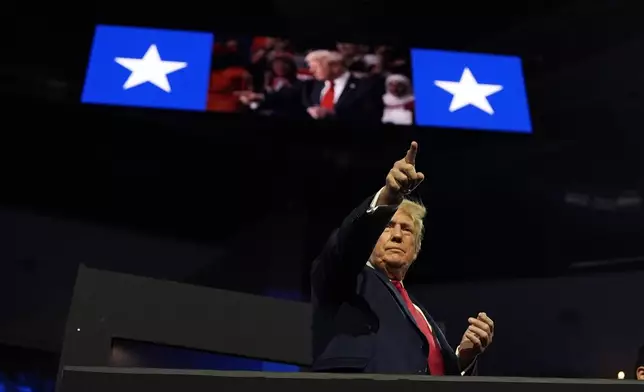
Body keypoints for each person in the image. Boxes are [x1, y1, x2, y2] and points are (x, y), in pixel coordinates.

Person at [310, 142, 495, 375]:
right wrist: (389, 197)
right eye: (388, 226)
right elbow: (347, 244)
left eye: (406, 230)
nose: (397, 235)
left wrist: (464, 358)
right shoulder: (347, 276)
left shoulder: (419, 314)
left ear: (415, 250)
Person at [303, 50, 384, 124]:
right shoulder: (313, 85)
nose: (311, 70)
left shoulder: (365, 86)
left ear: (335, 66)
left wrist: (334, 113)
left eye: (315, 67)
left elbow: (373, 117)